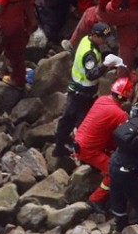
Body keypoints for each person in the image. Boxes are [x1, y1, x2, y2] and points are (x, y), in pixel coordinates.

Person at [53, 22, 125, 157]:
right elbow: (91, 74)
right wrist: (106, 65)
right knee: (81, 121)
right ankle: (76, 149)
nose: (105, 42)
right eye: (103, 39)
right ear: (95, 36)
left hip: (79, 89)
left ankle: (64, 144)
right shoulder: (89, 54)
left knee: (69, 118)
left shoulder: (86, 40)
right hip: (82, 92)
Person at [74, 76, 135, 210]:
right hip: (89, 149)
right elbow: (125, 137)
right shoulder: (120, 115)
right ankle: (95, 199)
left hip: (80, 140)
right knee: (115, 171)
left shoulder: (102, 100)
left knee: (111, 149)